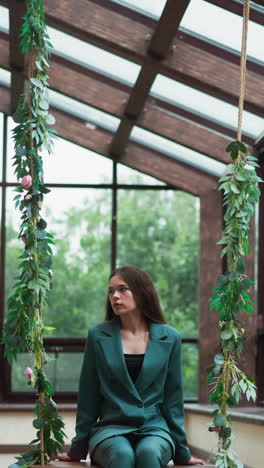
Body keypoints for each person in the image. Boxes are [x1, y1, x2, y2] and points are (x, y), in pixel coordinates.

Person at [55, 265, 204, 467]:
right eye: (111, 291)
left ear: (142, 292)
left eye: (122, 289)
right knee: (122, 456)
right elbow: (88, 396)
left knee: (148, 454)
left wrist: (182, 453)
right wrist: (77, 449)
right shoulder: (98, 336)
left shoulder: (170, 337)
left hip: (154, 428)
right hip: (110, 428)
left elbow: (173, 399)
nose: (115, 296)